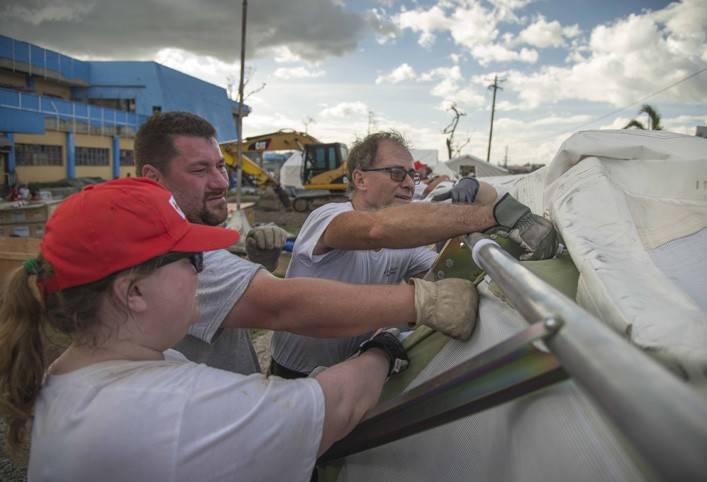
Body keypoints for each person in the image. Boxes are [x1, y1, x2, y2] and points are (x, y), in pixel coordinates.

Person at [0, 178, 410, 481]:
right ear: (134, 291)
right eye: (193, 259)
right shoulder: (174, 406)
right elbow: (336, 407)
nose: (203, 270)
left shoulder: (73, 372)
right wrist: (383, 348)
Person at [134, 112, 478, 374]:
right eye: (199, 170)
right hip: (247, 409)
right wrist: (415, 306)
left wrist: (261, 264)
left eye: (221, 167)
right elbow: (281, 306)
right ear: (359, 178)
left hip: (241, 402)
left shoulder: (193, 241)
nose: (221, 181)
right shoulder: (171, 258)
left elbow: (224, 308)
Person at [270, 131, 558, 377]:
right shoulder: (328, 217)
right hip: (293, 374)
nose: (409, 184)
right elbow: (376, 230)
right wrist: (491, 215)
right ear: (360, 179)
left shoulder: (406, 248)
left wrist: (474, 188)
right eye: (397, 173)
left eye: (413, 174)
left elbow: (448, 270)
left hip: (347, 372)